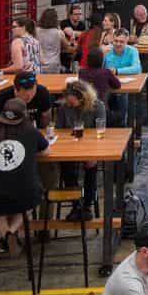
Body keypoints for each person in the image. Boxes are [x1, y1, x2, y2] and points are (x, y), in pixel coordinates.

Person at [0, 98, 46, 254]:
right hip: (26, 194)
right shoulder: (31, 132)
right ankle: (11, 232)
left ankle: (5, 234)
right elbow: (45, 150)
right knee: (32, 200)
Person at [55, 79, 106, 218]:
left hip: (90, 145)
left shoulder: (97, 106)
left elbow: (100, 130)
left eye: (72, 103)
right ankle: (76, 203)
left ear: (82, 98)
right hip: (69, 145)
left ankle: (87, 203)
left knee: (90, 162)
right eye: (68, 102)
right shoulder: (64, 108)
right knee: (66, 163)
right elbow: (58, 130)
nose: (70, 105)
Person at [103, 30, 141, 127]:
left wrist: (117, 71)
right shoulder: (107, 51)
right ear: (112, 40)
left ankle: (124, 125)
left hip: (126, 85)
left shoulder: (133, 51)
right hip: (108, 84)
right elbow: (99, 68)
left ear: (127, 41)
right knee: (100, 97)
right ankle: (104, 122)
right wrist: (102, 54)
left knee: (122, 96)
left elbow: (137, 68)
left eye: (121, 42)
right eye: (116, 41)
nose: (118, 44)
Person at [79, 40, 122, 109]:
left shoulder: (81, 72)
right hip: (101, 107)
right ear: (101, 59)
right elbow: (117, 85)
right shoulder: (105, 72)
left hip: (86, 106)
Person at [35, 7, 65, 73]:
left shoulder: (35, 31)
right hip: (54, 64)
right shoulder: (59, 33)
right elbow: (67, 47)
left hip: (39, 62)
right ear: (55, 19)